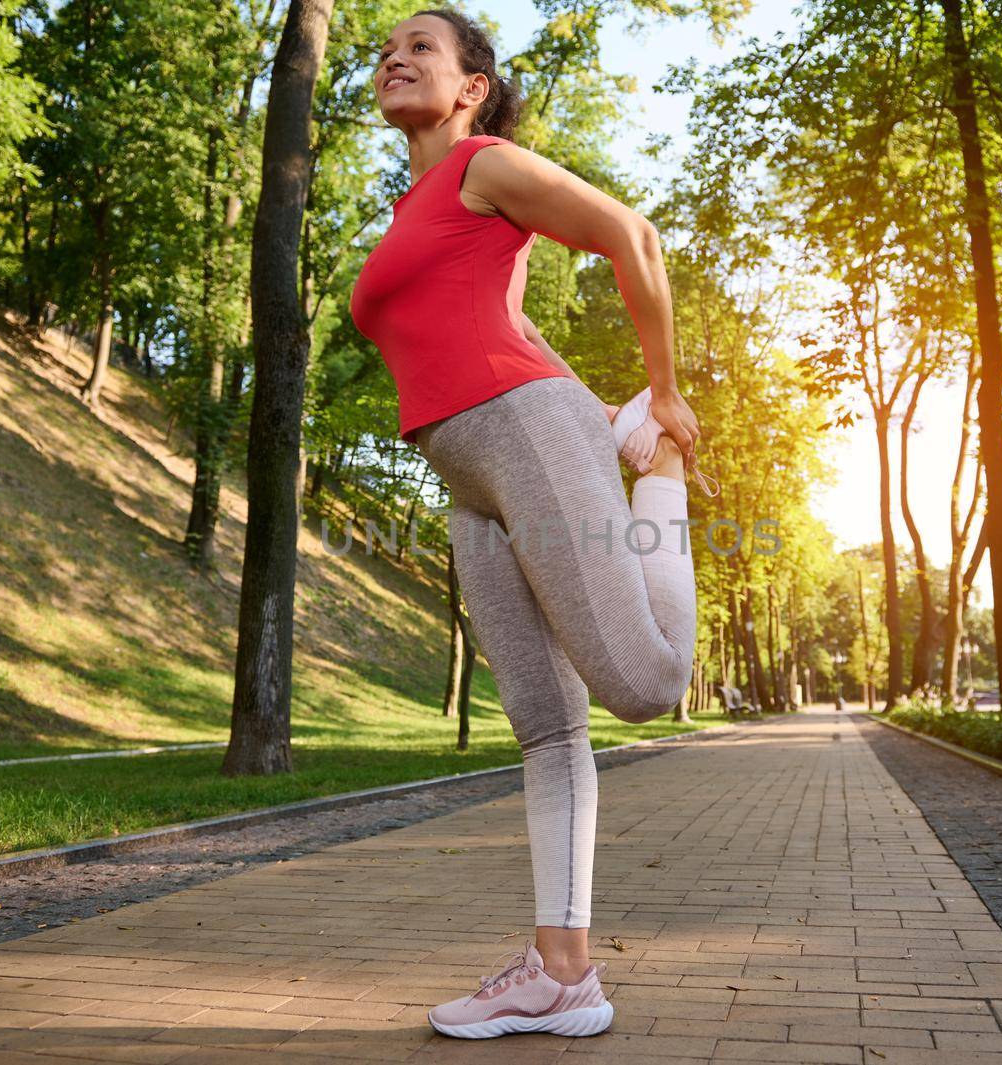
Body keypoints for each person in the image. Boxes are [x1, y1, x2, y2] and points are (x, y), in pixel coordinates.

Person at [348, 7, 717, 1041]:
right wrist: (597, 408)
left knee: (644, 687)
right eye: (387, 44)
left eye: (422, 46)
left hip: (518, 434)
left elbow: (629, 235)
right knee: (546, 727)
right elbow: (503, 323)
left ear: (470, 87)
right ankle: (563, 977)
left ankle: (665, 465)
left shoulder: (486, 167)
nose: (395, 55)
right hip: (472, 468)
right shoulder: (412, 207)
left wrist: (661, 391)